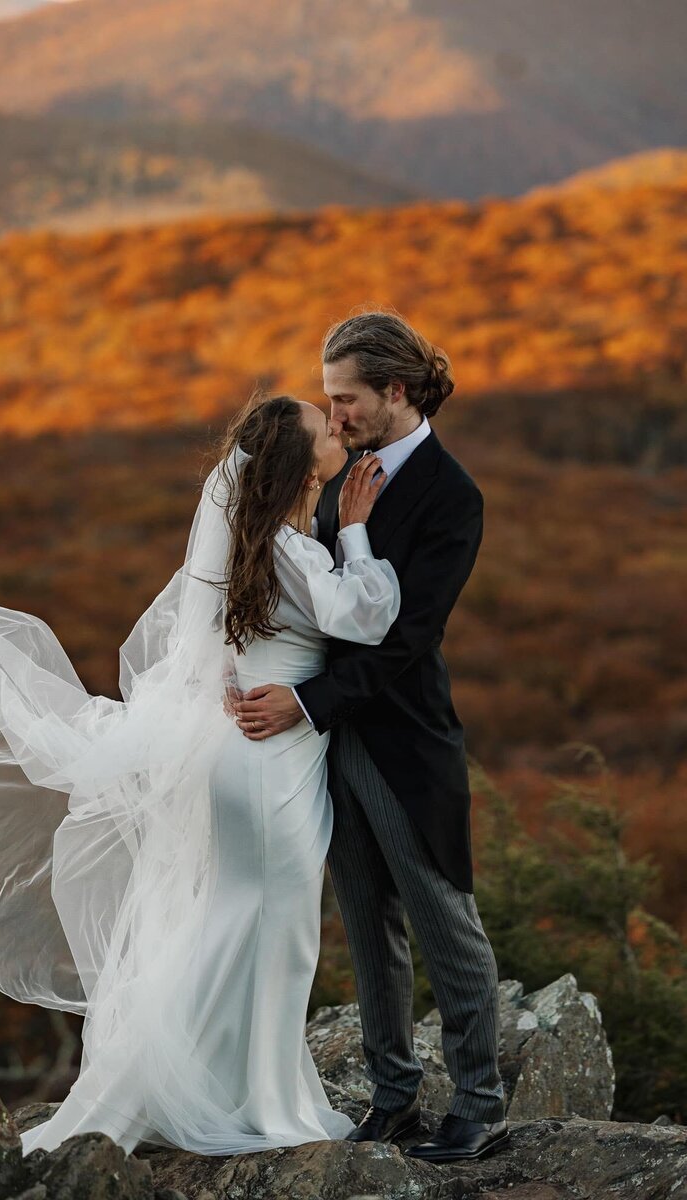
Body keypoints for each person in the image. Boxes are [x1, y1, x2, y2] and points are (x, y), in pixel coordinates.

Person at [0, 392, 401, 1156]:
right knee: (271, 930)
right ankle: (242, 1101)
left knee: (241, 924)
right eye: (324, 428)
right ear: (299, 465)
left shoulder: (262, 545)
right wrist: (356, 532)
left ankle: (230, 1090)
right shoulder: (295, 551)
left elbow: (220, 648)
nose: (339, 430)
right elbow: (368, 615)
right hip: (266, 765)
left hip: (248, 756)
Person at [233, 312, 510, 1163]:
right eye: (328, 401)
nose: (336, 415)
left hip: (400, 742)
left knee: (441, 917)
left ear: (396, 392)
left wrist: (308, 702)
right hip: (324, 749)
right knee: (365, 921)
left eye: (346, 399)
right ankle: (393, 1097)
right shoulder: (335, 477)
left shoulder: (451, 495)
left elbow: (407, 638)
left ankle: (480, 1099)